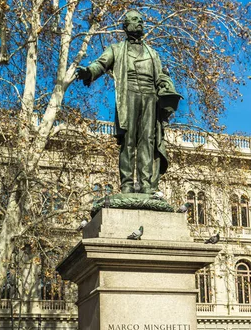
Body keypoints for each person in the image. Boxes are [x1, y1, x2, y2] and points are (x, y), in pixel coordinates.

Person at [76, 10, 181, 194]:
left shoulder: (153, 53)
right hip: (129, 95)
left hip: (150, 97)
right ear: (125, 26)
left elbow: (162, 76)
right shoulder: (116, 49)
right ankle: (126, 184)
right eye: (134, 20)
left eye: (141, 20)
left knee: (147, 141)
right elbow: (101, 64)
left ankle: (146, 184)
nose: (139, 22)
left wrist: (167, 86)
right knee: (128, 141)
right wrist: (89, 72)